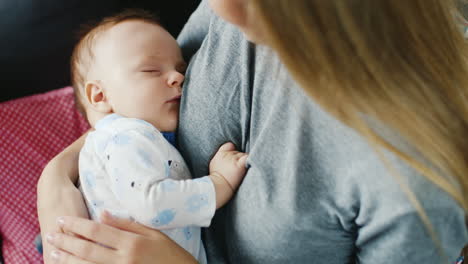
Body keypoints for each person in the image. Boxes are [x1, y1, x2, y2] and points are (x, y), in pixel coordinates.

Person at [38, 0, 468, 263]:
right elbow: (131, 101)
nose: (220, 7)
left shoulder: (415, 190)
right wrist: (55, 177)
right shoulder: (234, 16)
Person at [66, 9, 247, 263]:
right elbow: (151, 203)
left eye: (180, 68)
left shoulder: (120, 140)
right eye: (151, 70)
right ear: (100, 96)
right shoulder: (125, 136)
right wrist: (219, 183)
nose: (178, 77)